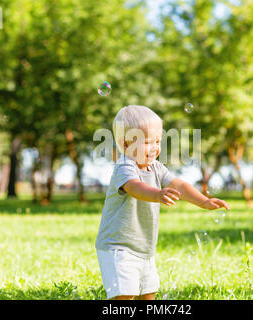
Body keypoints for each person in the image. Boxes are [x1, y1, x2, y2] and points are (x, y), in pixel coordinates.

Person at [95, 105, 230, 300]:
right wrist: (158, 194)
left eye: (158, 141)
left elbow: (180, 185)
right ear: (126, 145)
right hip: (118, 248)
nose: (155, 147)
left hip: (144, 248)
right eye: (148, 142)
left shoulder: (156, 167)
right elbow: (134, 187)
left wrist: (204, 201)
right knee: (125, 296)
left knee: (149, 295)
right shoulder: (125, 167)